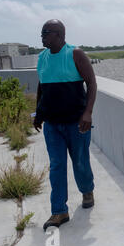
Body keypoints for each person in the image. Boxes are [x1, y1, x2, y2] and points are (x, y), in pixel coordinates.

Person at [34, 19, 97, 231]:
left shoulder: (75, 54)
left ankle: (87, 190)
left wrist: (88, 113)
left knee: (80, 162)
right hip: (53, 125)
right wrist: (38, 114)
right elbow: (42, 87)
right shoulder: (42, 58)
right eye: (42, 32)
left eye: (46, 32)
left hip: (76, 123)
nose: (42, 36)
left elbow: (92, 82)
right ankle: (59, 210)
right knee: (57, 166)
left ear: (60, 35)